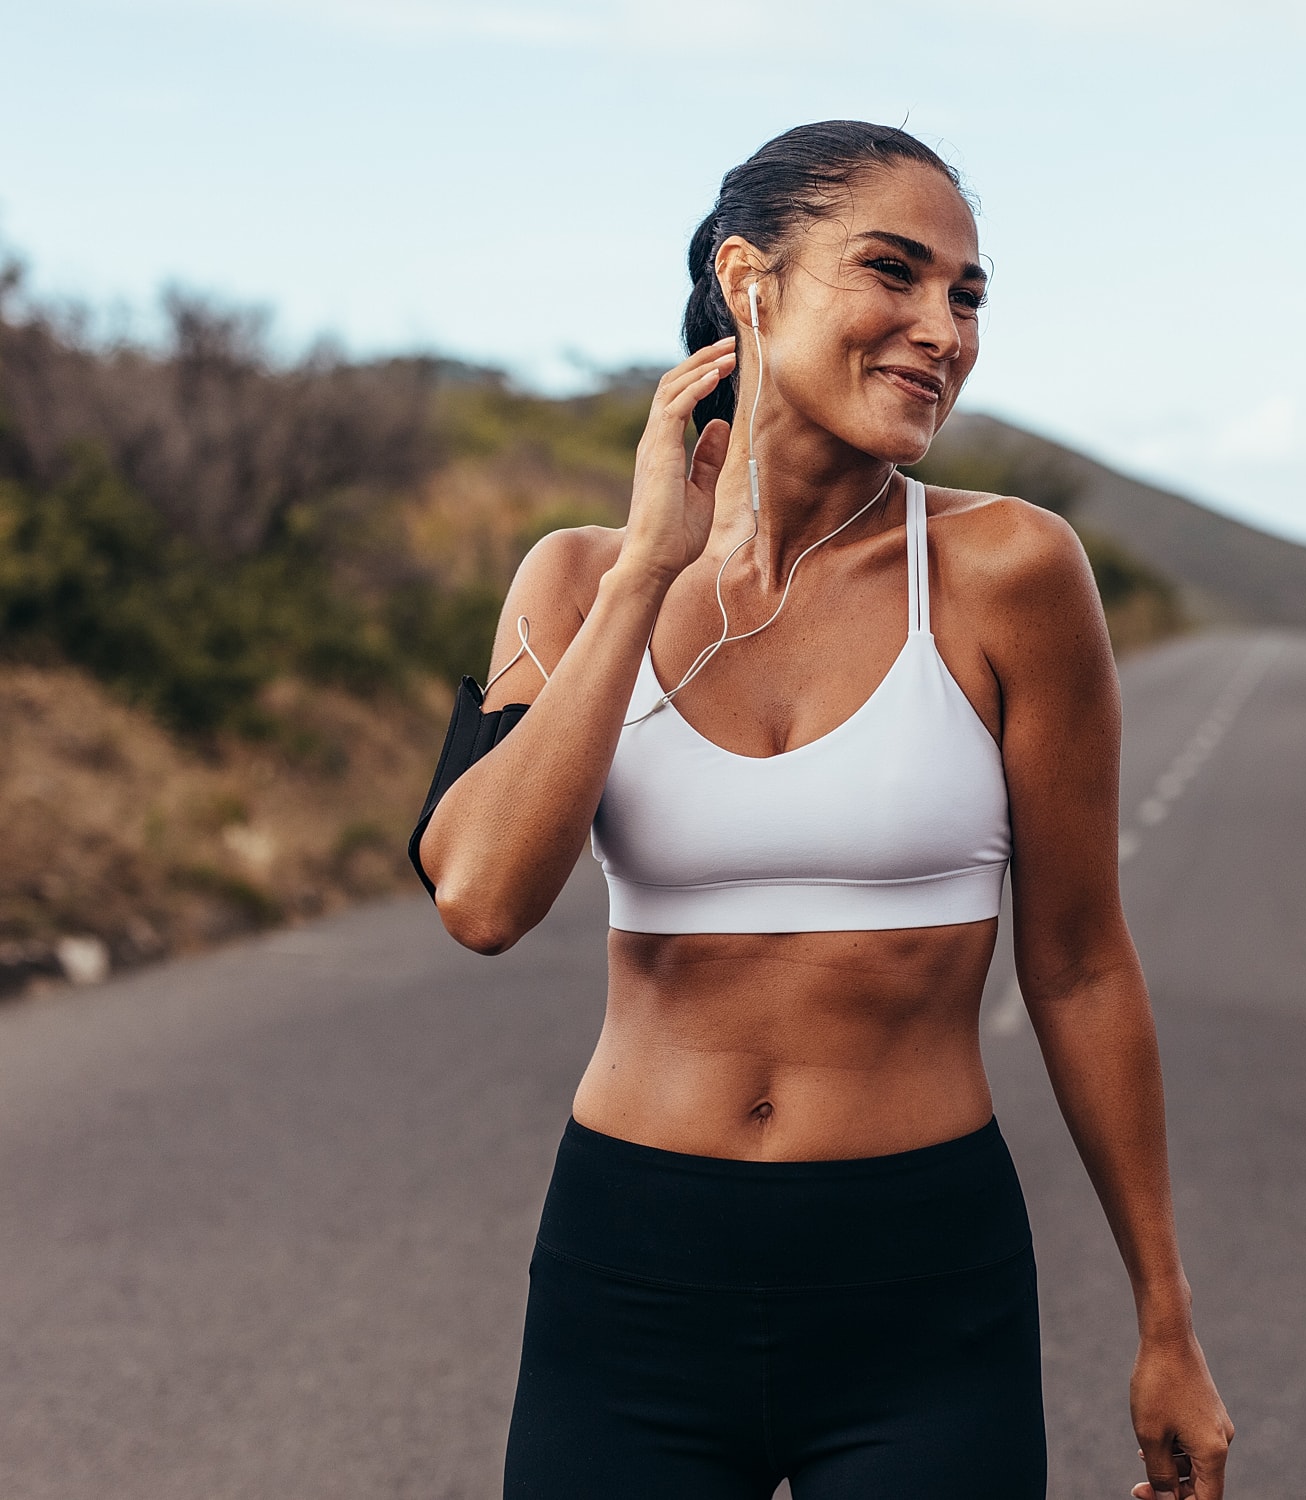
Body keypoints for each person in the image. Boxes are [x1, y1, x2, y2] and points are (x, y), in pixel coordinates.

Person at [418, 120, 1233, 1500]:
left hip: (920, 1283)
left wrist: (1167, 1319)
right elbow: (483, 899)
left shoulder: (1009, 573)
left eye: (967, 296)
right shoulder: (572, 581)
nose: (942, 329)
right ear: (750, 280)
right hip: (632, 1277)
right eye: (895, 274)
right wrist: (646, 576)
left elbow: (1083, 961)